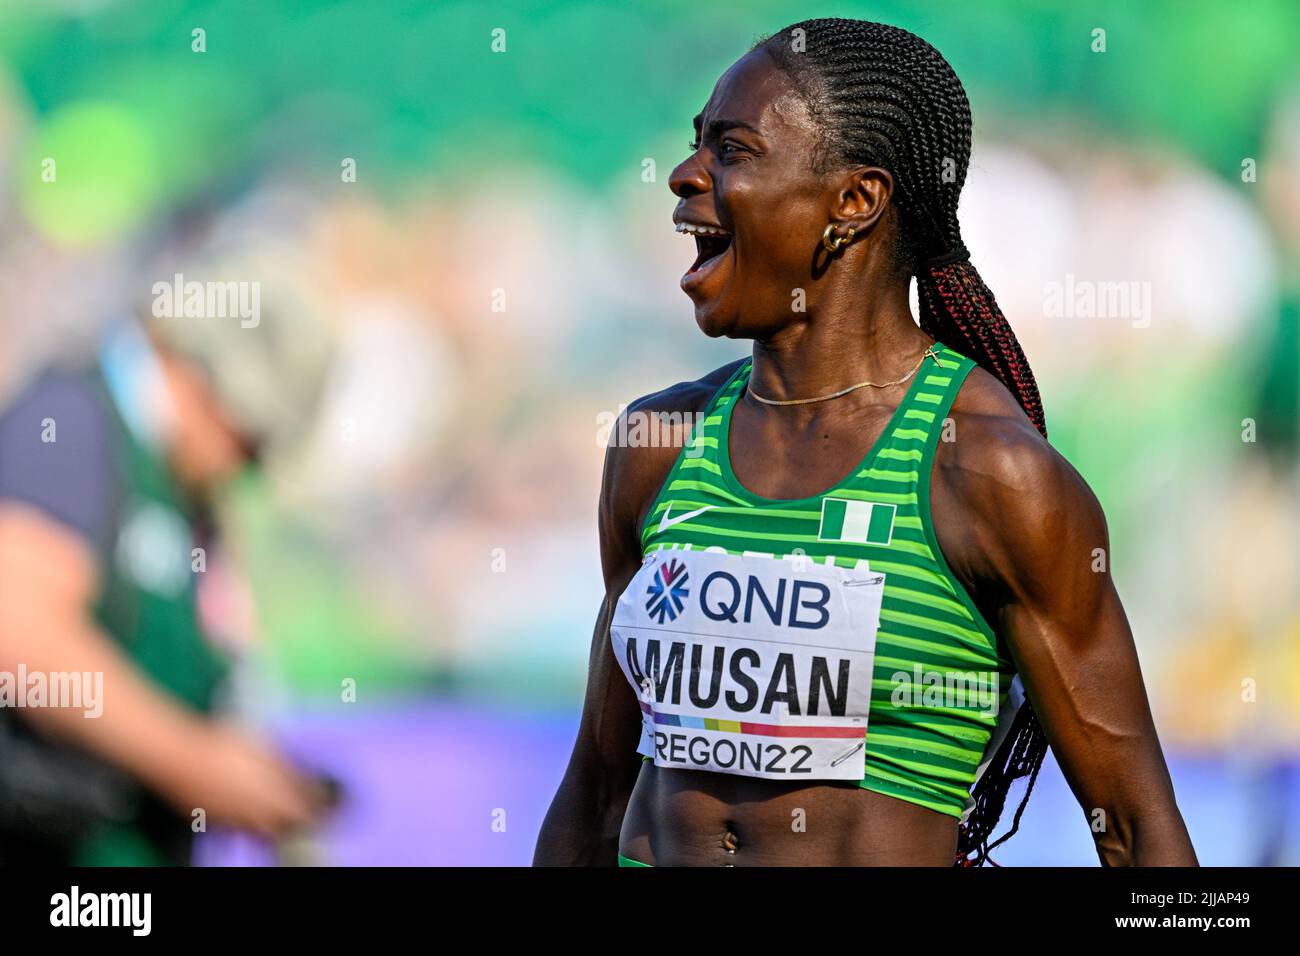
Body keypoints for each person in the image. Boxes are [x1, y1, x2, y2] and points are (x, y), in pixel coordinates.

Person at [535, 18, 1197, 867]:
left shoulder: (990, 474)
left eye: (732, 151)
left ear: (855, 200)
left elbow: (1138, 835)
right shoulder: (659, 444)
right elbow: (595, 790)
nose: (684, 175)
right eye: (696, 145)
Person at [0, 239, 334, 865]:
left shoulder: (177, 489)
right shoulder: (71, 422)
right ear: (200, 376)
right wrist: (193, 763)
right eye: (252, 440)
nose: (249, 469)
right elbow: (18, 637)